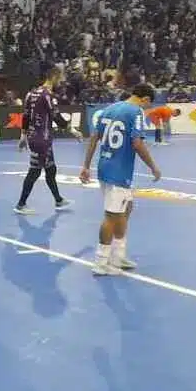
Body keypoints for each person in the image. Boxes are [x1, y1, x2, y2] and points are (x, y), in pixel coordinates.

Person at [80, 83, 161, 276]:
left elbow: (94, 138)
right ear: (145, 99)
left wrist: (86, 165)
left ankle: (118, 255)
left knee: (127, 207)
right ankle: (101, 262)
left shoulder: (109, 109)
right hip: (119, 170)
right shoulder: (136, 112)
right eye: (147, 105)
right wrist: (153, 166)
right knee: (111, 215)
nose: (146, 108)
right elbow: (137, 143)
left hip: (105, 166)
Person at [14, 64, 80, 215]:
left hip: (34, 137)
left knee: (51, 169)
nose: (60, 83)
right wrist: (72, 130)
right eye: (60, 79)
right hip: (41, 140)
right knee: (35, 171)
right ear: (54, 77)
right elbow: (55, 116)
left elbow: (25, 116)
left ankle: (58, 200)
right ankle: (21, 204)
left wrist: (23, 135)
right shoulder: (47, 95)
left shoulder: (30, 94)